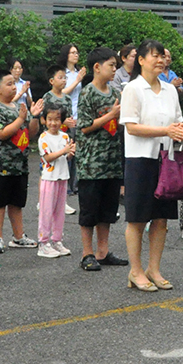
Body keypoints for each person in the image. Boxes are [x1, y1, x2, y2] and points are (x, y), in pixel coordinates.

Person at [120, 39, 183, 291]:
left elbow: (178, 121)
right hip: (140, 160)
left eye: (163, 56)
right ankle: (135, 270)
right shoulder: (133, 89)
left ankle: (154, 268)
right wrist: (166, 130)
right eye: (155, 56)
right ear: (141, 60)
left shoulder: (170, 89)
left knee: (161, 218)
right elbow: (132, 127)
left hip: (166, 160)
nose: (161, 60)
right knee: (138, 218)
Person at [74, 47, 129, 271]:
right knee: (89, 211)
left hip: (112, 161)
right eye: (111, 65)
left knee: (108, 210)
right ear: (97, 67)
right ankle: (87, 253)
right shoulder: (88, 92)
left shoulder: (115, 93)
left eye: (116, 65)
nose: (115, 69)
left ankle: (103, 252)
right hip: (91, 164)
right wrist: (111, 115)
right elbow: (85, 127)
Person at [0, 68, 42, 254]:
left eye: (14, 84)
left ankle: (18, 236)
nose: (13, 87)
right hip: (1, 165)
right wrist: (20, 119)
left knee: (17, 202)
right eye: (9, 84)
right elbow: (1, 133)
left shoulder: (20, 107)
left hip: (20, 164)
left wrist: (34, 116)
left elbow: (31, 133)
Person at [38, 103, 75, 259]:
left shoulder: (65, 136)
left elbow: (67, 157)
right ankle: (43, 243)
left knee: (59, 211)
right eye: (50, 119)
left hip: (62, 177)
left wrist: (71, 152)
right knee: (46, 211)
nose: (53, 123)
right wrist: (64, 151)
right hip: (49, 179)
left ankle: (56, 240)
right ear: (44, 120)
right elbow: (48, 158)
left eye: (57, 119)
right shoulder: (43, 137)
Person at [43, 64, 78, 215]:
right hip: (50, 138)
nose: (64, 80)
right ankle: (43, 200)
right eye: (60, 77)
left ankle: (62, 201)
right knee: (48, 170)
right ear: (51, 81)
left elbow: (69, 117)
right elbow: (43, 119)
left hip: (64, 137)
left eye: (65, 77)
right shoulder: (48, 97)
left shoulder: (68, 98)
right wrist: (62, 122)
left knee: (64, 168)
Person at [60, 44, 85, 196]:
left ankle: (75, 184)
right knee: (67, 150)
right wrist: (77, 81)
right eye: (73, 53)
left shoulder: (78, 72)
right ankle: (66, 184)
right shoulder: (63, 73)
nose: (76, 55)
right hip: (67, 116)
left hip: (78, 115)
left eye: (77, 52)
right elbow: (62, 92)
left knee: (77, 152)